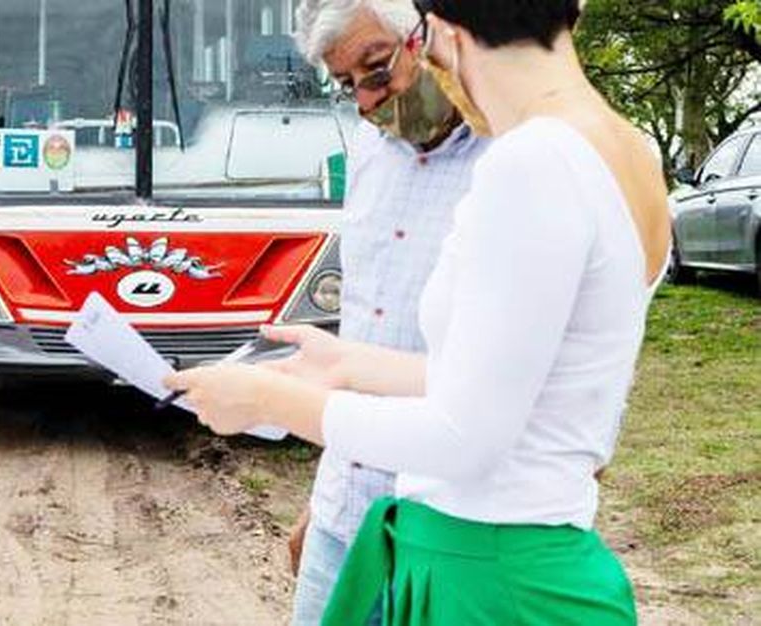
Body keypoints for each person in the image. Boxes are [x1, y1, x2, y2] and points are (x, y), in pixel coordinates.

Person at [166, 0, 670, 623]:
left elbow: (464, 436)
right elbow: (519, 379)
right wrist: (349, 365)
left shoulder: (530, 161)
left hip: (485, 572)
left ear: (440, 33)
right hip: (527, 556)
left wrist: (267, 401)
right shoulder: (620, 149)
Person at [283, 1, 489, 624]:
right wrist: (321, 503)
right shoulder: (368, 156)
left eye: (377, 72)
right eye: (348, 87)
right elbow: (364, 327)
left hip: (454, 530)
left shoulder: (510, 166)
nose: (369, 103)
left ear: (429, 38)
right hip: (345, 514)